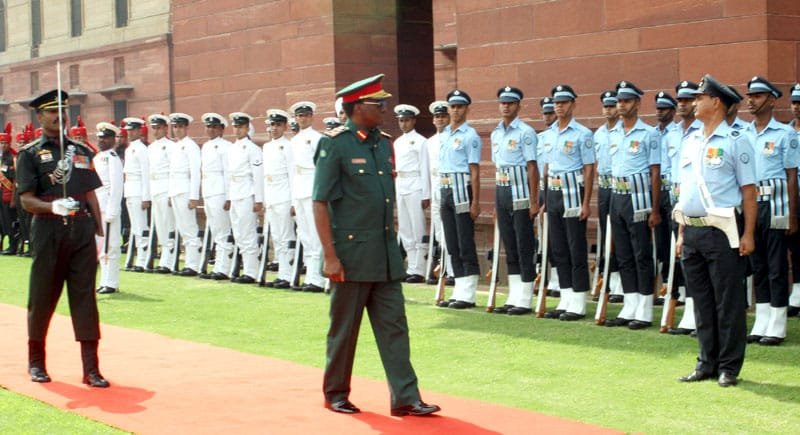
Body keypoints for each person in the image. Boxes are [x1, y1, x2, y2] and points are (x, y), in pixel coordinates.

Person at [313, 73, 440, 416]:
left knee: (395, 327)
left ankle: (406, 397)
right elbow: (320, 201)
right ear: (356, 108)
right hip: (351, 256)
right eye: (377, 104)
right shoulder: (335, 143)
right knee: (344, 330)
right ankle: (336, 392)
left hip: (384, 253)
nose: (384, 109)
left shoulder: (383, 142)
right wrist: (330, 256)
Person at [16, 89, 109, 387]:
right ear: (40, 116)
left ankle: (91, 369)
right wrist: (53, 206)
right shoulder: (30, 154)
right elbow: (26, 200)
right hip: (48, 229)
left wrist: (99, 230)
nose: (59, 116)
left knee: (85, 297)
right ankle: (36, 363)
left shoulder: (81, 150)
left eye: (62, 111)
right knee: (43, 295)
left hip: (81, 230)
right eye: (51, 111)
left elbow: (89, 192)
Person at [675, 74, 756, 387]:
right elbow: (685, 190)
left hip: (723, 229)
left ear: (716, 102)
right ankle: (705, 362)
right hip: (692, 228)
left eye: (700, 97)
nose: (695, 103)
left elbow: (749, 192)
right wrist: (682, 233)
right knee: (702, 301)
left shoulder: (736, 140)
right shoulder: (691, 140)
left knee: (728, 301)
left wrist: (748, 234)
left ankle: (729, 366)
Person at [744, 76, 799, 346]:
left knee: (777, 266)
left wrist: (791, 213)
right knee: (758, 264)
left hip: (776, 204)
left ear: (772, 100)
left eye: (757, 95)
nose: (751, 100)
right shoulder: (744, 133)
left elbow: (791, 176)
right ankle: (762, 318)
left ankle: (777, 322)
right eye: (750, 95)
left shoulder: (785, 134)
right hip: (752, 204)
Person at [604, 81, 661, 330]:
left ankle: (645, 308)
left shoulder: (649, 134)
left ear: (637, 103)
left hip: (638, 198)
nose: (621, 105)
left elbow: (655, 173)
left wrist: (655, 209)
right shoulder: (613, 133)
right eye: (619, 101)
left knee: (641, 254)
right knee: (623, 254)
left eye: (626, 101)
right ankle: (629, 305)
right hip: (617, 195)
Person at [541, 84, 595, 320]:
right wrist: (543, 199)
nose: (559, 106)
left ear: (573, 104)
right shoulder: (547, 135)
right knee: (559, 248)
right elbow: (545, 168)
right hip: (553, 192)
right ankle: (565, 297)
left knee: (575, 247)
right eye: (556, 102)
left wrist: (586, 202)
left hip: (573, 191)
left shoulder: (582, 134)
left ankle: (579, 300)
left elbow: (589, 168)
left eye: (563, 102)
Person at [490, 86, 539, 315]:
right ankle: (513, 294)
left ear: (519, 106)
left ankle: (525, 297)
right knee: (509, 245)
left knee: (523, 244)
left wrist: (533, 200)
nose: (505, 106)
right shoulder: (496, 133)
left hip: (520, 191)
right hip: (502, 190)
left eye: (510, 103)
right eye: (503, 102)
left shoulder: (526, 132)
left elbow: (532, 167)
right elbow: (497, 167)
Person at [436, 89, 482, 309]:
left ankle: (469, 292)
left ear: (466, 109)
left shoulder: (470, 135)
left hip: (462, 188)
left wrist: (476, 201)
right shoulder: (444, 135)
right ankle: (459, 288)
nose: (455, 110)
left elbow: (474, 170)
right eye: (452, 106)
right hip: (445, 189)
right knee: (452, 242)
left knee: (464, 241)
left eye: (460, 106)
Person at [288, 101, 325, 292]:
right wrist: (293, 199)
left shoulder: (317, 138)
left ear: (311, 117)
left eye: (305, 115)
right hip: (299, 189)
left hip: (312, 188)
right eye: (299, 116)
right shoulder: (293, 141)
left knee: (315, 234)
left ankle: (317, 279)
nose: (302, 119)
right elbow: (292, 171)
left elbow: (321, 168)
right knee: (305, 235)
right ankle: (310, 276)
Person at [392, 104, 431, 284]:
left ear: (413, 121)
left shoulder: (421, 141)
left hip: (416, 183)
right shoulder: (397, 142)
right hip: (402, 183)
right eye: (401, 120)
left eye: (407, 120)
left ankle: (420, 268)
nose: (404, 124)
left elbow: (424, 167)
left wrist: (426, 193)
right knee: (405, 228)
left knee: (417, 227)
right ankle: (410, 266)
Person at [226, 112, 264, 284]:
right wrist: (228, 197)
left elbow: (257, 175)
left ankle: (251, 271)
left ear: (247, 128)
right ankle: (243, 268)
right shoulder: (232, 148)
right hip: (235, 193)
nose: (238, 130)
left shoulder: (253, 149)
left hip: (247, 193)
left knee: (248, 233)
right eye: (235, 126)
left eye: (241, 126)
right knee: (239, 234)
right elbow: (228, 175)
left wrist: (258, 199)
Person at [594, 91, 624, 302]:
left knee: (620, 236)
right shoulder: (598, 134)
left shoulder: (623, 131)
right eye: (606, 106)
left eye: (612, 106)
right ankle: (611, 280)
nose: (609, 110)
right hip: (604, 186)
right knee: (607, 235)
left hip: (621, 187)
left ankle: (621, 284)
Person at [262, 109, 295, 288]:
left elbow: (291, 174)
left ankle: (288, 274)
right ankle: (282, 272)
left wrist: (292, 201)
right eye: (272, 125)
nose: (274, 128)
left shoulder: (287, 146)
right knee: (276, 237)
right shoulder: (267, 147)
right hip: (272, 197)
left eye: (278, 125)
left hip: (284, 196)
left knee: (285, 235)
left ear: (285, 126)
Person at [199, 113, 234, 280]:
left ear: (221, 129)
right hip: (209, 191)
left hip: (220, 191)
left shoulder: (226, 146)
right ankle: (218, 265)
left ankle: (224, 267)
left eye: (214, 127)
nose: (210, 129)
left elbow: (228, 172)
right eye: (208, 126)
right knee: (215, 230)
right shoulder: (206, 146)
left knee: (223, 230)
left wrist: (228, 196)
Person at [168, 113, 203, 276]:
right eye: (175, 127)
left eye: (180, 127)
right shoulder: (175, 146)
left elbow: (195, 172)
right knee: (182, 228)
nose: (177, 130)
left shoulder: (191, 146)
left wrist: (194, 196)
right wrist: (170, 193)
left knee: (189, 228)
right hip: (176, 189)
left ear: (186, 127)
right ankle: (189, 262)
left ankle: (193, 264)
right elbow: (171, 172)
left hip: (186, 189)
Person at [93, 122, 124, 294]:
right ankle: (104, 281)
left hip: (108, 208)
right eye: (100, 138)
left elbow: (116, 186)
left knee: (111, 246)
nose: (102, 141)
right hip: (98, 207)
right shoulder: (97, 158)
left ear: (113, 140)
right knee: (100, 247)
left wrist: (112, 209)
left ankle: (111, 282)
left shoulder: (113, 158)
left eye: (106, 138)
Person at [425, 100, 453, 285]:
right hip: (435, 187)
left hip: (448, 186)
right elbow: (426, 169)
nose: (440, 119)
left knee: (449, 231)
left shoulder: (453, 138)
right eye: (437, 117)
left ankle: (451, 271)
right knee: (438, 234)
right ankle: (442, 268)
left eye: (443, 116)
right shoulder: (430, 142)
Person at [147, 114, 177, 273]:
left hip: (166, 187)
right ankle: (165, 257)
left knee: (168, 223)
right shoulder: (151, 148)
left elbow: (173, 170)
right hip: (155, 188)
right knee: (159, 225)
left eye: (159, 127)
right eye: (154, 128)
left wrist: (171, 192)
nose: (156, 131)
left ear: (166, 128)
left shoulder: (171, 146)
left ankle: (169, 259)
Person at [121, 117, 150, 272]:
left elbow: (146, 174)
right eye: (128, 130)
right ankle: (138, 258)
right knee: (135, 227)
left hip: (139, 191)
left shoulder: (141, 149)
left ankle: (143, 259)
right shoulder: (129, 148)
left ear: (139, 131)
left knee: (141, 226)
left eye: (133, 130)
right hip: (130, 190)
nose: (130, 133)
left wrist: (146, 197)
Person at [789, 83, 800, 317]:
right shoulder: (786, 132)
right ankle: (797, 294)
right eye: (795, 102)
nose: (797, 107)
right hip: (790, 197)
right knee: (795, 248)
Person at [0, 123, 19, 255]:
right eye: (1, 143)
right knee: (2, 222)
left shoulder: (13, 158)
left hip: (8, 195)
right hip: (0, 195)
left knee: (10, 222)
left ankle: (13, 246)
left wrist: (13, 199)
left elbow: (15, 180)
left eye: (5, 143)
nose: (3, 145)